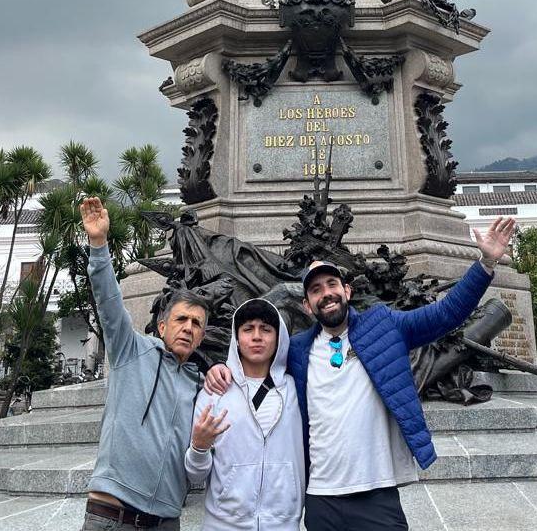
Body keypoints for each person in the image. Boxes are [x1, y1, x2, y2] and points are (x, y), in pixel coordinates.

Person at [206, 217, 514, 531]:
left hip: (376, 493)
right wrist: (220, 367)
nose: (325, 293)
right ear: (307, 305)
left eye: (331, 285)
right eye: (315, 290)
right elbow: (252, 358)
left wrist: (486, 262)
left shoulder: (385, 325)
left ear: (347, 290)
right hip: (321, 497)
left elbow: (446, 314)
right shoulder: (297, 349)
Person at [80, 196, 207, 531]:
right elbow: (109, 302)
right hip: (112, 515)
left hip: (165, 520)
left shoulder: (200, 382)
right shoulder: (131, 350)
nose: (188, 328)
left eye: (196, 324)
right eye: (181, 319)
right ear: (163, 326)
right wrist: (98, 244)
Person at [186, 298, 305, 530]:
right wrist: (199, 448)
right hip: (223, 524)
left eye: (266, 329)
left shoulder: (296, 389)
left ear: (278, 338)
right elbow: (195, 476)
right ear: (237, 339)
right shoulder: (214, 392)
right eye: (248, 329)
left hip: (283, 523)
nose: (257, 336)